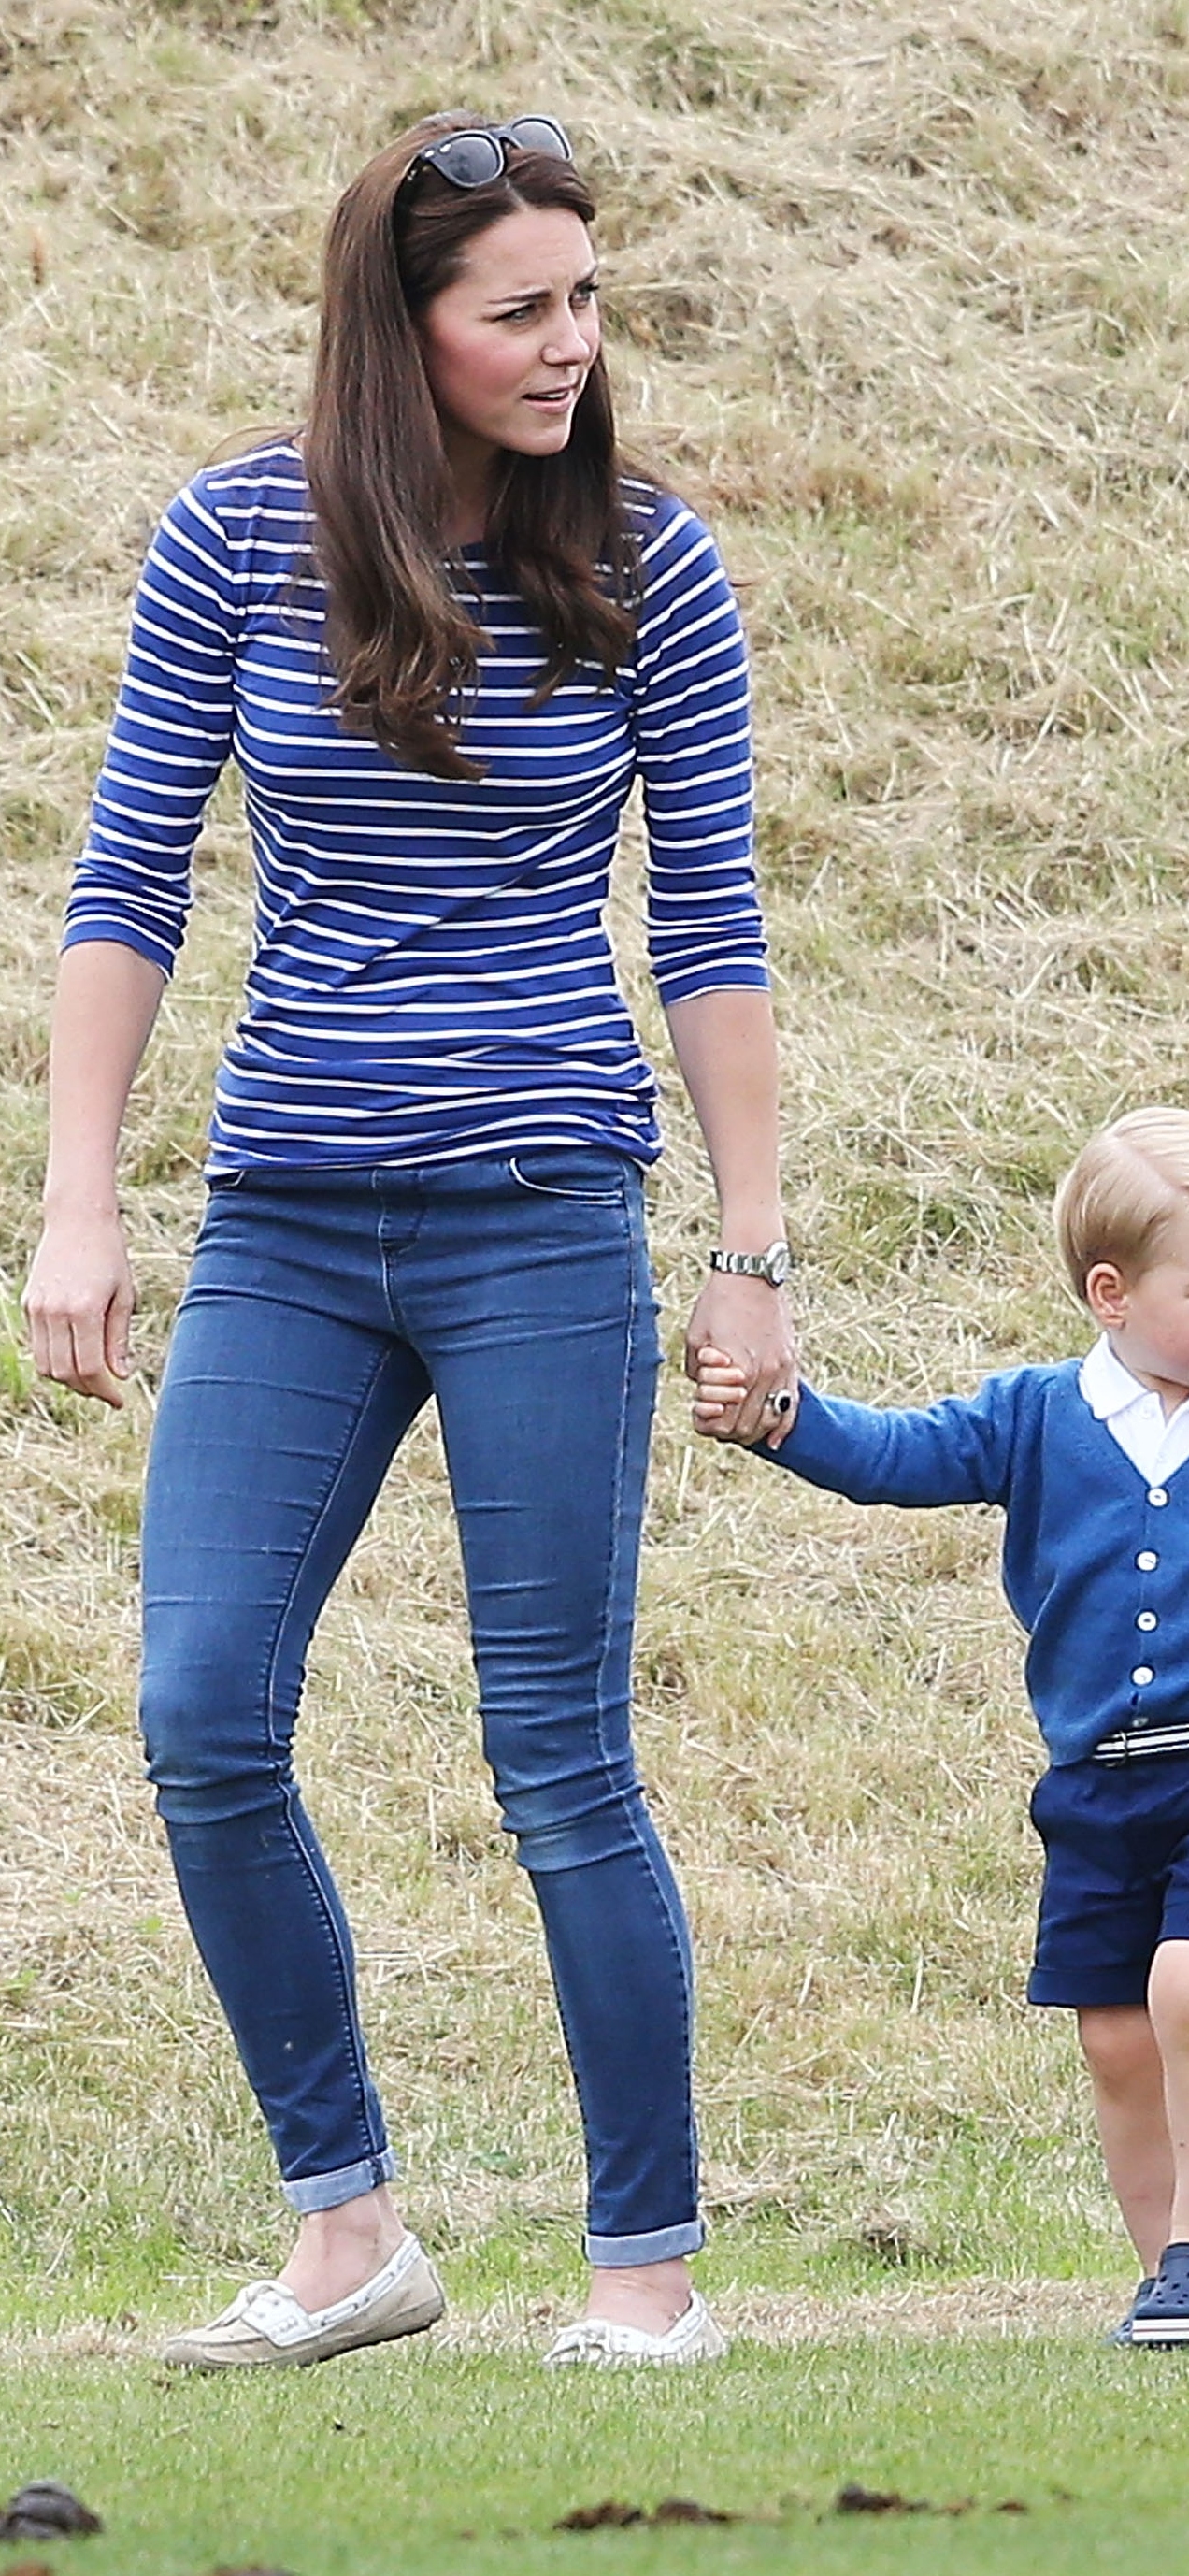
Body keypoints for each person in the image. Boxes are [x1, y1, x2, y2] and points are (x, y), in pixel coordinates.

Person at [24, 109, 798, 2372]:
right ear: (403, 329)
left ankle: (643, 2277)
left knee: (555, 1749)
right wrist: (82, 1201)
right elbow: (124, 880)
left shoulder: (652, 561)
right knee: (198, 1712)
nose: (570, 344)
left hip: (547, 1212)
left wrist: (751, 1243)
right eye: (516, 308)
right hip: (281, 1215)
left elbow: (714, 928)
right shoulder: (237, 538)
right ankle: (348, 2229)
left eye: (583, 299)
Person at [694, 1107, 1189, 2345]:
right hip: (1092, 1784)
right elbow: (894, 1456)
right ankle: (1175, 2274)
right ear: (1109, 1293)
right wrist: (778, 1418)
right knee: (1112, 2038)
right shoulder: (1034, 1415)